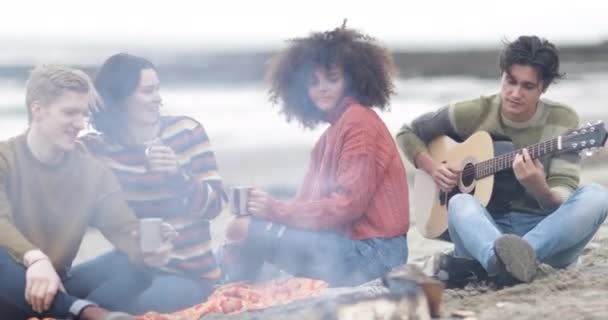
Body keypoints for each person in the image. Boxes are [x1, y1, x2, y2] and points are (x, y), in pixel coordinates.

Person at [396, 35, 608, 286]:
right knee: (460, 202)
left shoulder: (562, 120)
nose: (515, 93)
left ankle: (504, 262)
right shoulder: (473, 112)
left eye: (528, 86)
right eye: (511, 81)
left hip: (544, 231)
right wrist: (433, 168)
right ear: (502, 75)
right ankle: (503, 259)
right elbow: (407, 132)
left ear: (544, 87)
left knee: (597, 196)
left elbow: (561, 200)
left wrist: (539, 188)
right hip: (486, 229)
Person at [221, 26, 410, 286]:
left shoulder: (359, 123)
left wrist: (275, 211)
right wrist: (265, 210)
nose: (322, 89)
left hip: (377, 254)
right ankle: (235, 286)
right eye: (313, 82)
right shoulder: (328, 136)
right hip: (348, 245)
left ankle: (233, 288)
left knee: (244, 230)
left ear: (352, 79)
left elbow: (346, 206)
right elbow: (307, 203)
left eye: (332, 78)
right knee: (247, 225)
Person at [0, 65, 171, 320]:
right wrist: (34, 259)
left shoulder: (92, 171)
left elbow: (121, 226)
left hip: (52, 289)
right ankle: (88, 313)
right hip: (7, 288)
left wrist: (145, 246)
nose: (79, 124)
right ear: (38, 110)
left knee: (135, 266)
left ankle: (67, 311)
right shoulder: (5, 159)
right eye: (70, 113)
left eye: (83, 114)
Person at [84, 53, 225, 313]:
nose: (158, 98)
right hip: (131, 263)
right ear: (120, 97)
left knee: (107, 308)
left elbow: (214, 207)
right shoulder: (100, 147)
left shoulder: (186, 131)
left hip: (189, 275)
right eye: (148, 91)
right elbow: (54, 133)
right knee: (60, 294)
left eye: (157, 89)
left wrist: (177, 175)